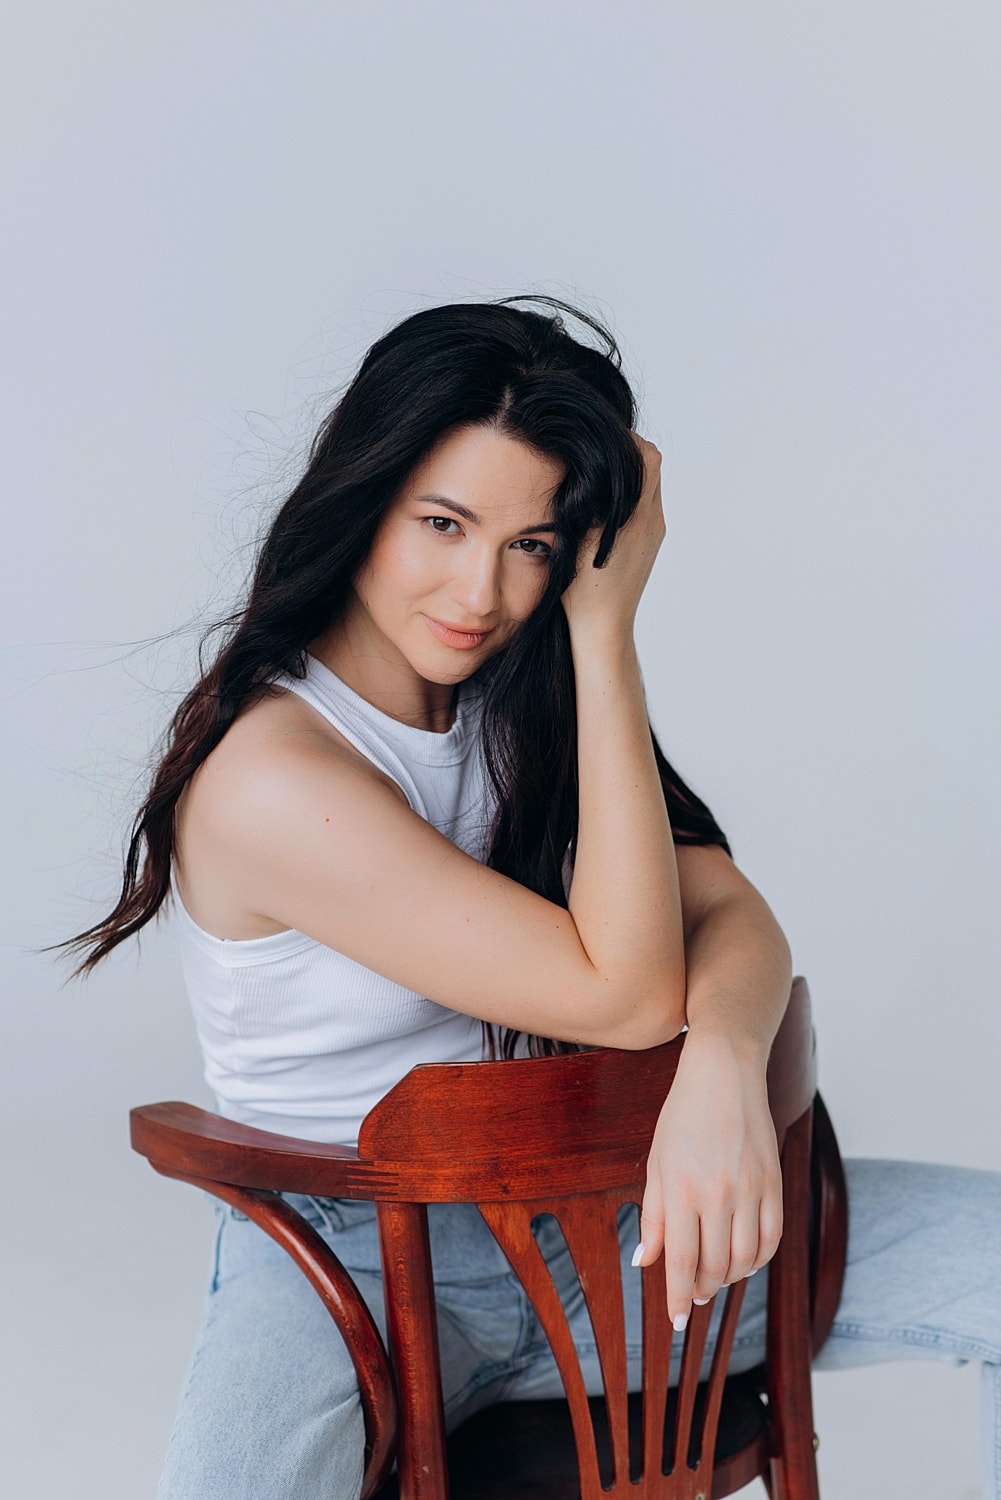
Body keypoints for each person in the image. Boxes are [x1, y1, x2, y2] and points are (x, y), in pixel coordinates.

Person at [67, 299, 1001, 1499]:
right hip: (351, 1264)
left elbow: (727, 912)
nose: (482, 591)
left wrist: (719, 1059)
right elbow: (620, 994)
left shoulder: (522, 697)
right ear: (362, 498)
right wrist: (605, 632)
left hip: (610, 1222)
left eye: (534, 545)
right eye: (443, 524)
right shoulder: (271, 778)